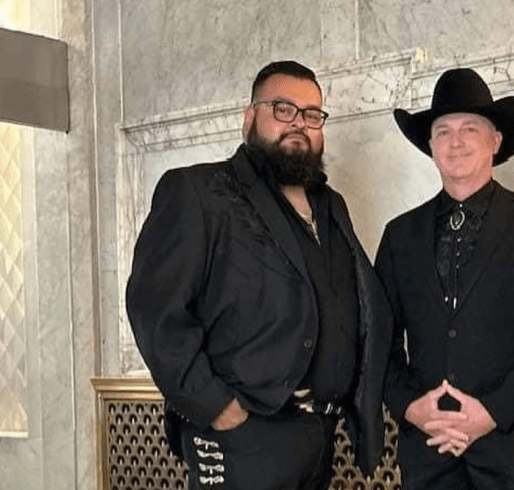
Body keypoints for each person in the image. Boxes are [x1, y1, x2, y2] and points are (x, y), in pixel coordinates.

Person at [126, 60, 391, 490]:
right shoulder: (198, 191)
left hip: (319, 435)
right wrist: (215, 406)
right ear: (249, 117)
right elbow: (155, 310)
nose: (299, 124)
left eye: (311, 114)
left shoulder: (331, 205)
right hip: (239, 434)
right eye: (282, 109)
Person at [374, 68, 514, 490]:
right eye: (443, 131)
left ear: (495, 141)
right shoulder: (399, 235)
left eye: (471, 128)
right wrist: (412, 408)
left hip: (509, 450)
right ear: (430, 146)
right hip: (427, 449)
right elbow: (378, 340)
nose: (456, 141)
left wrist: (491, 412)